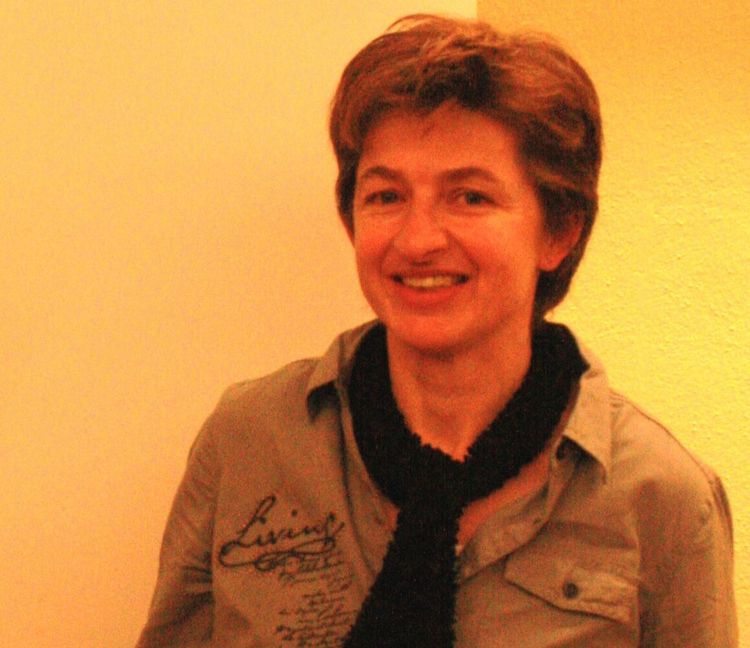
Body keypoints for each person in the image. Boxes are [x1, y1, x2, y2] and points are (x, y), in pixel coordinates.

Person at [136, 14, 737, 647]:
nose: (418, 239)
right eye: (386, 197)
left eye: (470, 197)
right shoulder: (248, 441)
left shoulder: (661, 496)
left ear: (559, 231)